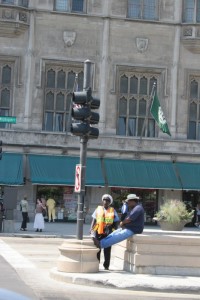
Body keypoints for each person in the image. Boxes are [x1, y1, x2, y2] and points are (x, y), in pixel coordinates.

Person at [90, 194, 119, 270]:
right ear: (102, 201)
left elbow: (116, 221)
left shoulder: (113, 211)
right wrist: (91, 229)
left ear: (110, 202)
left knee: (107, 250)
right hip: (98, 232)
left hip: (108, 232)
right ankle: (97, 264)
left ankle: (106, 266)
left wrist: (114, 229)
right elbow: (94, 220)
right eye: (104, 200)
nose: (105, 202)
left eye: (107, 201)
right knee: (98, 249)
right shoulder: (98, 209)